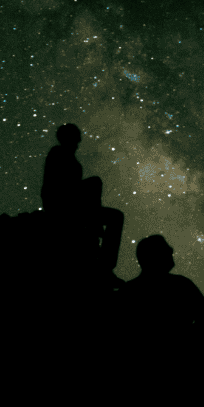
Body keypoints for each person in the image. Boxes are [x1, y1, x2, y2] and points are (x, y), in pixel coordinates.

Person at [41, 123, 125, 289]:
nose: (79, 141)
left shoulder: (68, 158)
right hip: (62, 206)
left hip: (71, 206)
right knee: (96, 185)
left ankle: (105, 265)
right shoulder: (58, 153)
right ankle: (105, 267)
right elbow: (58, 188)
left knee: (115, 215)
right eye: (76, 136)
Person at [117, 235, 204, 337]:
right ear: (155, 257)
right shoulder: (182, 285)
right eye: (165, 248)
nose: (171, 250)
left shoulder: (128, 291)